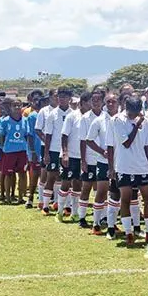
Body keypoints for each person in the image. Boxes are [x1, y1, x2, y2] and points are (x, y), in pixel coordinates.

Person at [111, 96, 148, 246]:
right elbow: (127, 143)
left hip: (142, 166)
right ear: (125, 107)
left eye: (137, 112)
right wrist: (137, 125)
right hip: (124, 166)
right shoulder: (118, 120)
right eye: (132, 113)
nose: (134, 115)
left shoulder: (147, 121)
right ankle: (129, 232)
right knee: (126, 199)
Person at [86, 92, 119, 235]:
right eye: (108, 102)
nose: (111, 104)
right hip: (103, 162)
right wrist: (101, 151)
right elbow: (89, 140)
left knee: (117, 193)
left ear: (118, 103)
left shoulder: (122, 119)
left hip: (120, 162)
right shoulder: (99, 121)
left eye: (114, 101)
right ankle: (96, 224)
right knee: (101, 192)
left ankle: (112, 224)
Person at [57, 92, 91, 222]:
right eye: (89, 103)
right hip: (70, 155)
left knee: (78, 184)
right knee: (65, 183)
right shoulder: (72, 116)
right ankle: (59, 212)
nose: (91, 105)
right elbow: (64, 135)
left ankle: (75, 213)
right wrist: (65, 153)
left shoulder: (90, 117)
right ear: (82, 103)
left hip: (83, 156)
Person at [42, 87, 73, 216]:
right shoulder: (52, 114)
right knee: (51, 177)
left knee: (67, 178)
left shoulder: (74, 113)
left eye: (65, 97)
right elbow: (47, 135)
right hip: (54, 150)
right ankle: (45, 206)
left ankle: (66, 206)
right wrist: (46, 153)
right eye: (60, 97)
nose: (61, 99)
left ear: (69, 99)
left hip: (69, 151)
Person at [78, 89, 105, 228]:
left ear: (102, 101)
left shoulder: (107, 117)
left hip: (103, 159)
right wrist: (83, 160)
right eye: (93, 100)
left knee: (101, 189)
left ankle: (101, 218)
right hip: (89, 157)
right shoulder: (85, 117)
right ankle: (82, 217)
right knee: (86, 187)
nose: (95, 102)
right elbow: (83, 141)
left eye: (98, 100)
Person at [0, 98, 32, 204]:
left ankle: (21, 197)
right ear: (11, 107)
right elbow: (0, 135)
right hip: (9, 151)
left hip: (22, 151)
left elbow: (27, 136)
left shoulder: (25, 120)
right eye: (14, 105)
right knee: (8, 174)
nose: (17, 107)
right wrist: (4, 146)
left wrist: (28, 149)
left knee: (22, 174)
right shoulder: (4, 120)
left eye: (19, 105)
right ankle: (7, 197)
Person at [35, 90, 58, 210]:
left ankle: (56, 201)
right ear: (50, 97)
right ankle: (41, 200)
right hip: (47, 146)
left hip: (59, 147)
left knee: (58, 175)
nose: (57, 98)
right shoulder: (44, 111)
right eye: (55, 96)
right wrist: (48, 141)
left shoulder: (64, 110)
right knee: (45, 173)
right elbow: (38, 129)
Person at [24, 90, 44, 208]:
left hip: (45, 150)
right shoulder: (32, 116)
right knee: (34, 174)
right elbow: (29, 135)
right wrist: (32, 151)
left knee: (44, 176)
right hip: (35, 150)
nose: (37, 102)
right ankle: (30, 198)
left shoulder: (46, 114)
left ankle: (43, 199)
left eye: (39, 99)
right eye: (35, 100)